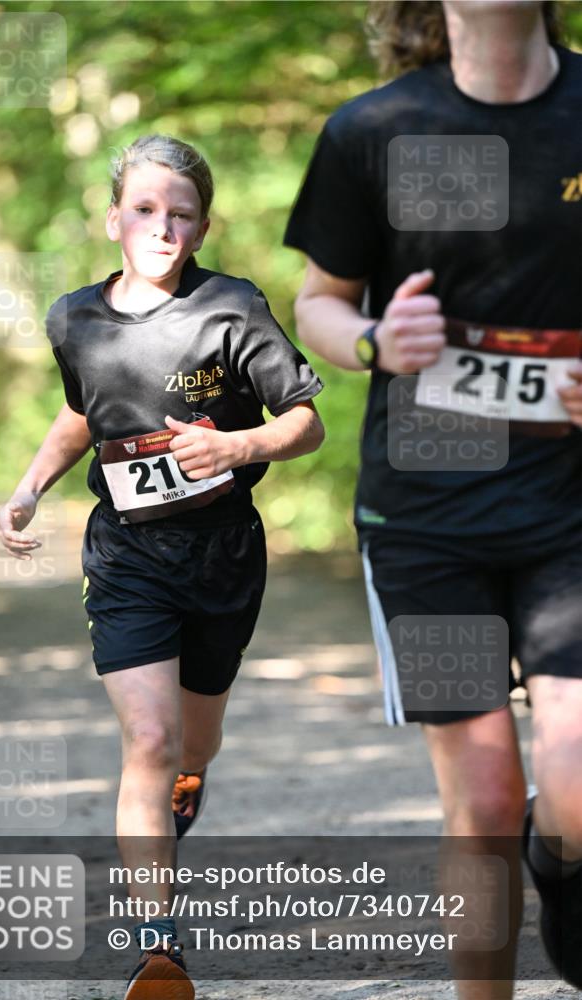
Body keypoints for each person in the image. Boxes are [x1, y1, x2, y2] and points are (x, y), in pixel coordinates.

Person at [284, 2, 581, 997]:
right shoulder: (373, 131)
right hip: (427, 525)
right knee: (486, 801)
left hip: (573, 515)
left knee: (576, 799)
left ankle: (566, 872)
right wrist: (373, 342)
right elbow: (319, 301)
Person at [0, 134, 324, 999]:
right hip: (128, 553)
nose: (161, 226)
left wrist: (241, 443)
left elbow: (304, 421)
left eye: (180, 214)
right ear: (114, 218)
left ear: (202, 226)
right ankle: (159, 947)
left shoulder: (232, 308)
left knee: (193, 744)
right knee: (147, 738)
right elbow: (83, 415)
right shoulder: (74, 316)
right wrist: (30, 486)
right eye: (144, 208)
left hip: (222, 553)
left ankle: (188, 772)